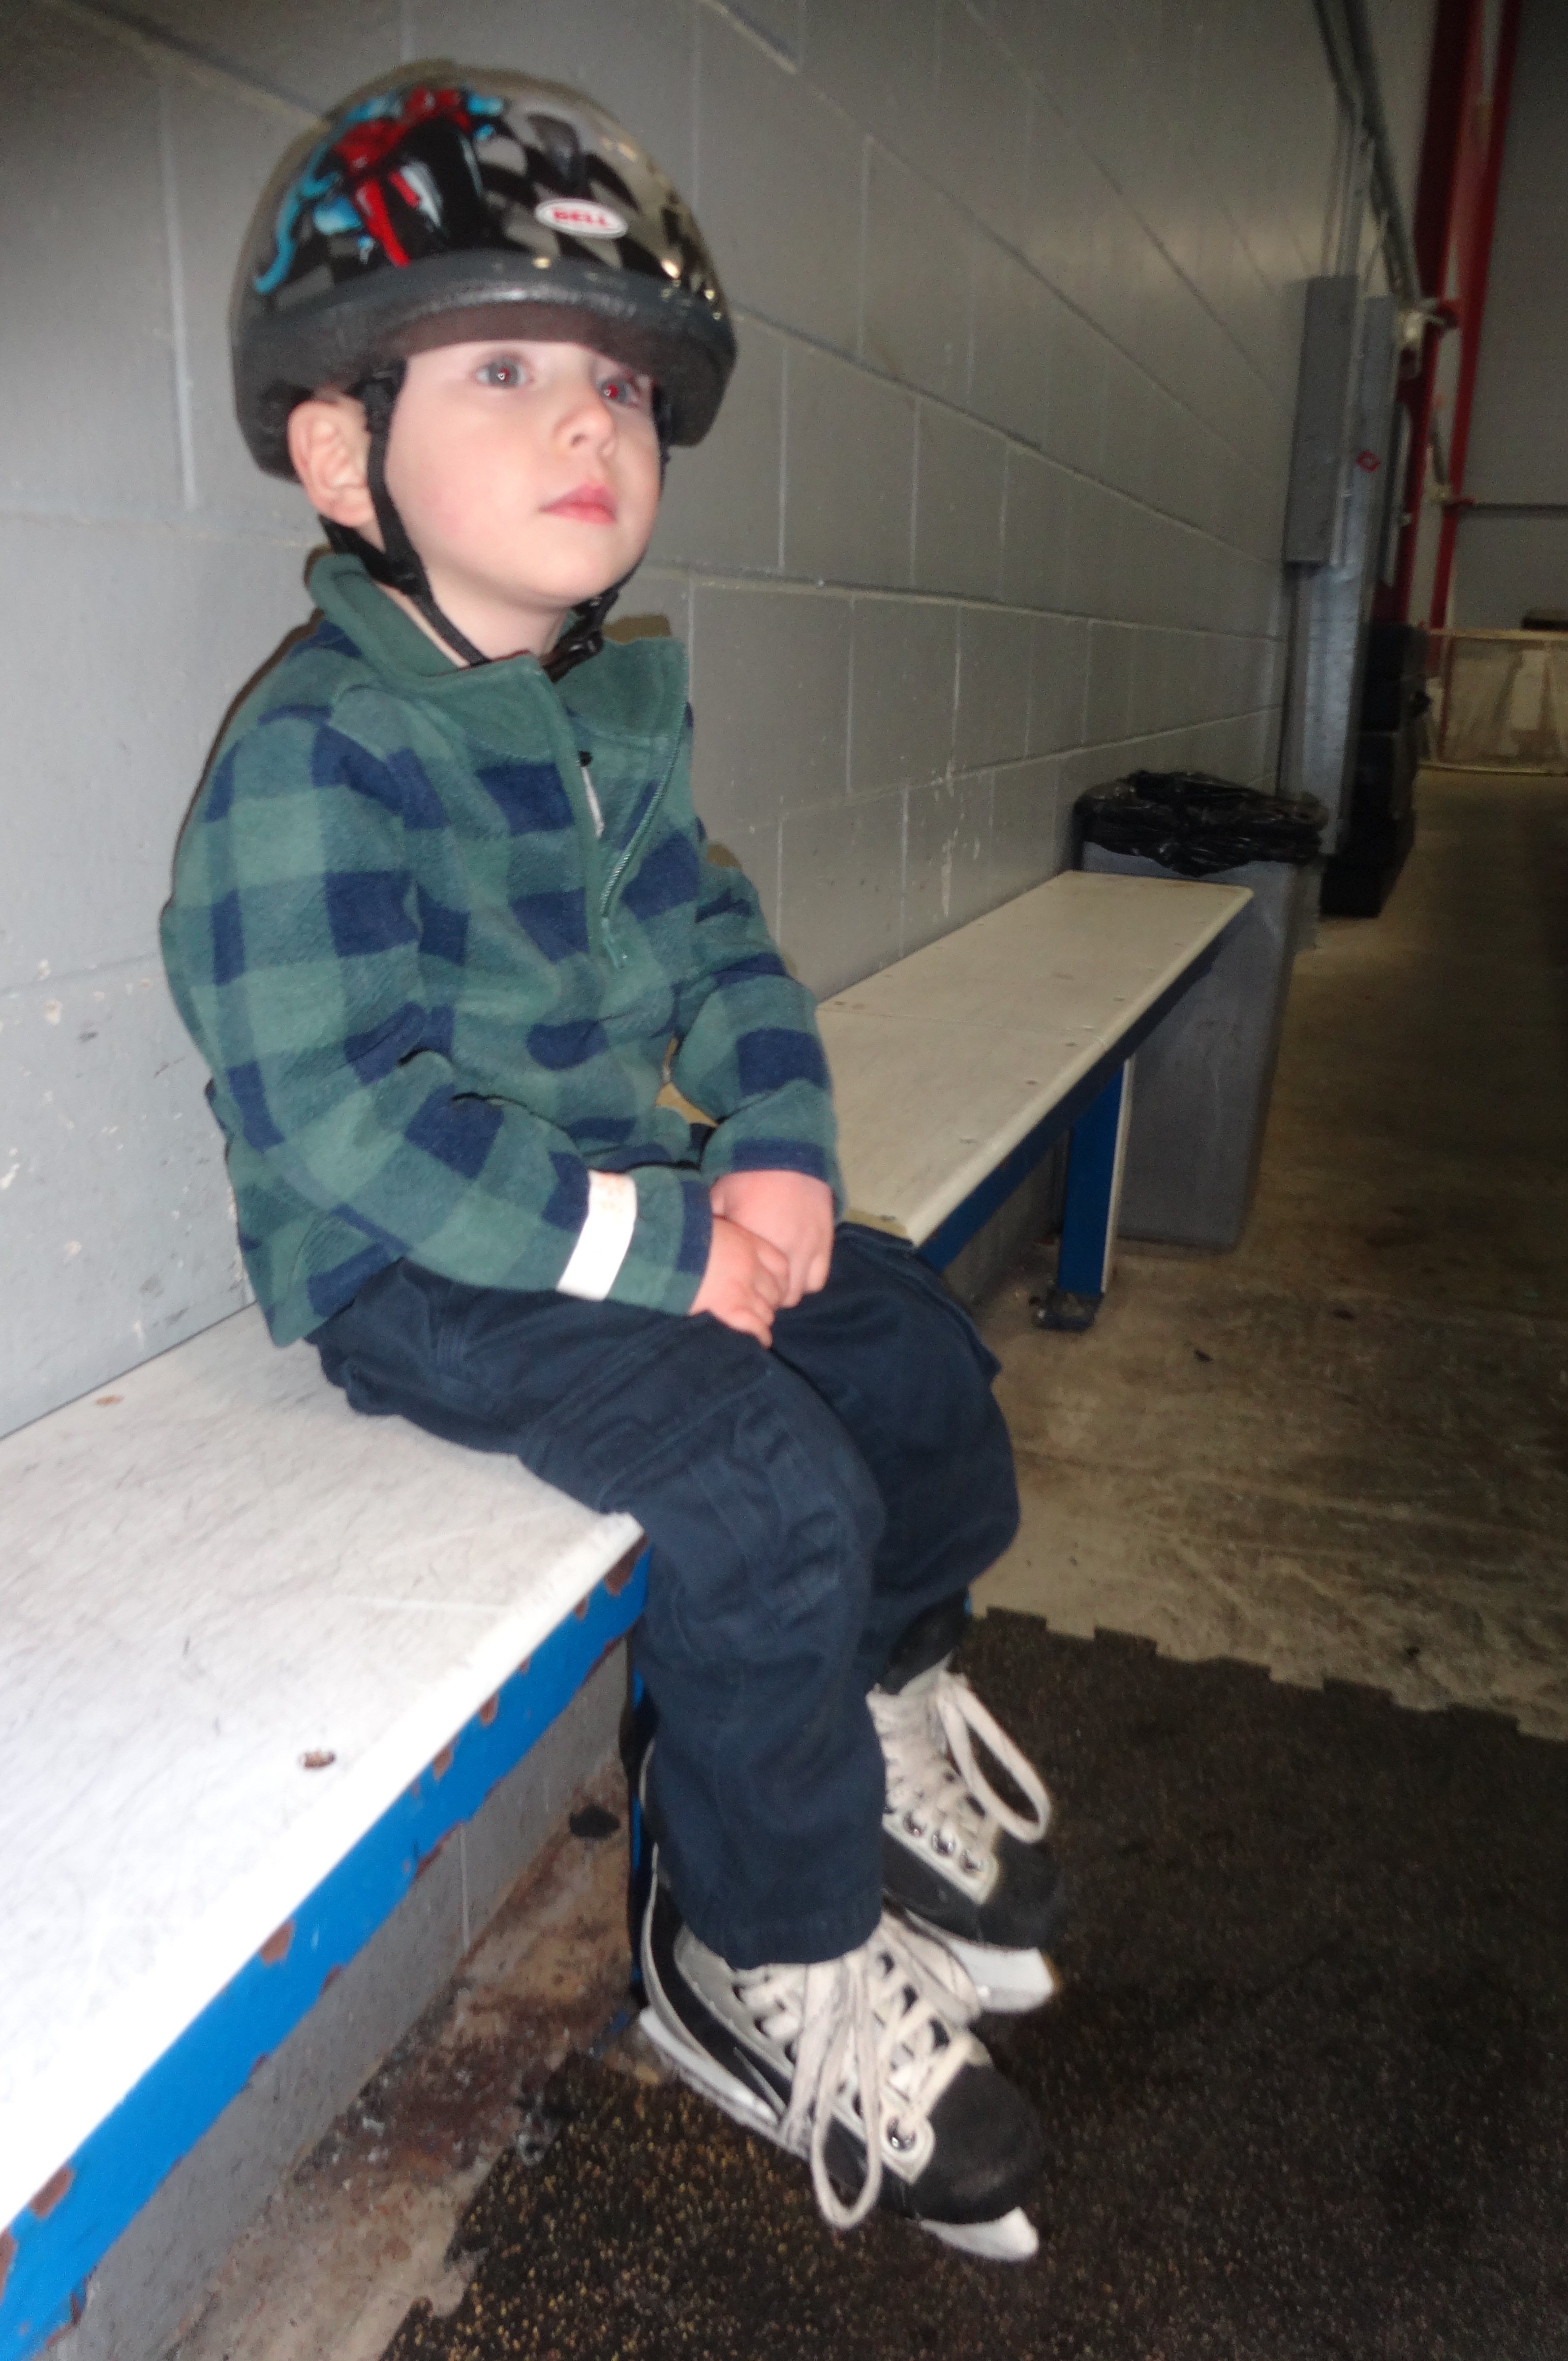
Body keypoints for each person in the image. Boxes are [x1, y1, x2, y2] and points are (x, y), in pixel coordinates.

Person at [161, 66, 1065, 2260]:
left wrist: (774, 1154)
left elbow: (722, 950)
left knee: (905, 1347)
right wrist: (659, 1252)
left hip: (609, 1209)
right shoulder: (314, 756)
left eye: (625, 388)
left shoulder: (599, 719)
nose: (591, 421)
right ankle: (755, 1948)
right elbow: (341, 1119)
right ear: (341, 453)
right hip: (410, 1262)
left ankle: (874, 1696)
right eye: (506, 371)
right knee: (767, 1488)